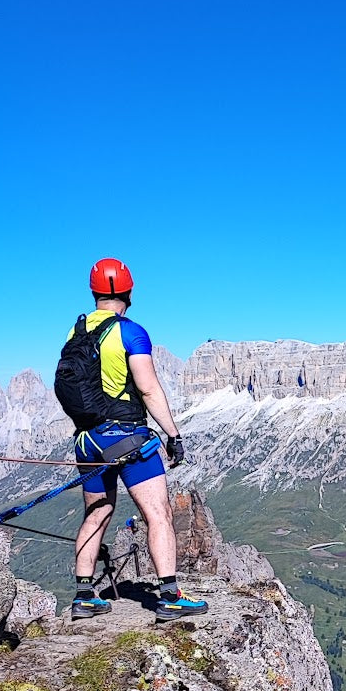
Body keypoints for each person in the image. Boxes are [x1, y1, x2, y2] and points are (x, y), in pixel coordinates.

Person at [68, 257, 208, 623]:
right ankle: (169, 595)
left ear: (94, 292)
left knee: (97, 512)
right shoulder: (130, 332)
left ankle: (84, 595)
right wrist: (173, 435)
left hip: (87, 440)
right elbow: (147, 389)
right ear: (129, 291)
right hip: (127, 437)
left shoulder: (76, 332)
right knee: (157, 514)